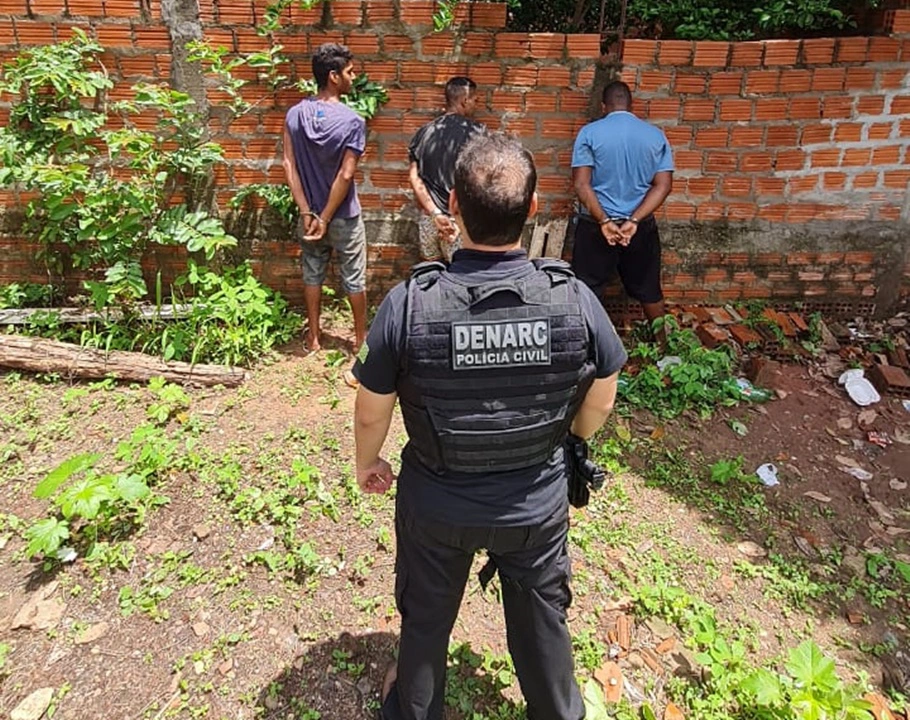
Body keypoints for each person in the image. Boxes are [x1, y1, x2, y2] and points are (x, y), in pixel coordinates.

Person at [352, 132, 627, 720]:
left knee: (425, 618)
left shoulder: (410, 304)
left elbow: (372, 403)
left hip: (437, 506)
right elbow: (603, 394)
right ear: (532, 209)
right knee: (542, 620)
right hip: (534, 504)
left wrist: (367, 461)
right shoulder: (573, 299)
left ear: (451, 204)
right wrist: (572, 439)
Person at [283, 42, 368, 383]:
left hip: (309, 215)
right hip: (342, 215)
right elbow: (346, 174)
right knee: (354, 277)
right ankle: (361, 340)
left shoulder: (294, 115)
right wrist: (327, 217)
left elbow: (288, 163)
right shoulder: (352, 120)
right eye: (349, 71)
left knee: (312, 271)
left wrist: (308, 211)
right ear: (333, 77)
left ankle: (314, 337)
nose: (354, 76)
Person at [571, 80, 674, 325]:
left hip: (595, 224)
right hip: (639, 227)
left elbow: (581, 184)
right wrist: (634, 220)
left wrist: (604, 221)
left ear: (604, 106)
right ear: (631, 105)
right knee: (649, 290)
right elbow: (663, 185)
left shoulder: (589, 133)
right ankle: (663, 348)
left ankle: (586, 351)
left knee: (586, 290)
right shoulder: (655, 135)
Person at [407, 76, 484, 263]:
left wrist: (435, 214)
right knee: (460, 277)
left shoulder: (424, 132)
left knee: (429, 275)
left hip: (430, 219)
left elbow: (414, 178)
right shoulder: (477, 133)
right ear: (465, 100)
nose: (476, 105)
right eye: (475, 100)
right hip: (458, 222)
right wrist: (456, 220)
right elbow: (478, 180)